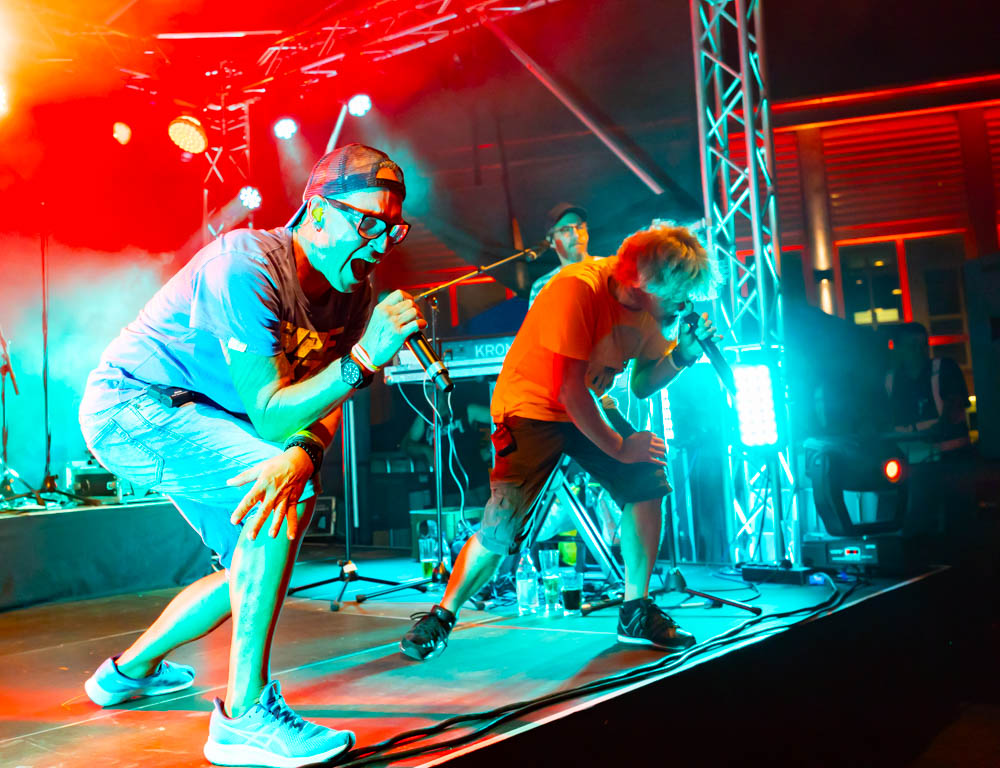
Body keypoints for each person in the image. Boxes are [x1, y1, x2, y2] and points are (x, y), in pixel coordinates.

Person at [78, 144, 424, 768]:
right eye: (369, 223)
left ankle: (125, 673)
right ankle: (243, 716)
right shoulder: (246, 265)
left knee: (250, 563)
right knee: (282, 495)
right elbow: (271, 411)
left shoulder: (352, 293)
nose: (380, 244)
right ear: (317, 211)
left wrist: (305, 453)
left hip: (204, 414)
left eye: (393, 229)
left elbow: (322, 400)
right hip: (131, 405)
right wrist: (362, 362)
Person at [400, 222, 721, 661]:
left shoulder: (649, 311)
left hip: (587, 403)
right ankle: (441, 616)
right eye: (679, 293)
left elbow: (643, 384)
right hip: (532, 408)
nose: (685, 304)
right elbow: (567, 390)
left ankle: (636, 611)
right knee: (503, 527)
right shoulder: (577, 289)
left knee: (646, 479)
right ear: (645, 281)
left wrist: (682, 355)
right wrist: (620, 446)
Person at [885, 322, 970, 460]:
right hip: (908, 458)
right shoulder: (890, 379)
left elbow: (955, 406)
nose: (919, 350)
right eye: (912, 346)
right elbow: (883, 416)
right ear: (898, 348)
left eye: (924, 345)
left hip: (951, 457)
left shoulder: (945, 369)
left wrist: (939, 429)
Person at [528, 202, 596, 306]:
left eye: (579, 227)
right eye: (565, 230)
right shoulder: (542, 286)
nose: (576, 235)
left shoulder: (610, 269)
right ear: (551, 241)